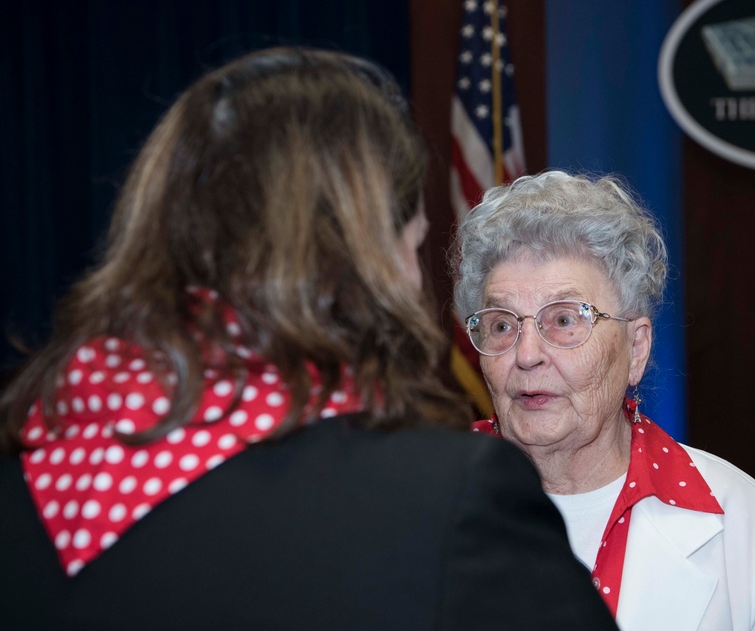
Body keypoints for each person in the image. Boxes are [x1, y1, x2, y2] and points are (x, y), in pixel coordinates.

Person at [0, 49, 618, 631]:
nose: (416, 281)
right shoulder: (446, 503)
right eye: (413, 244)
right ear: (367, 262)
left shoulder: (34, 474)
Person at [452, 170, 755, 631]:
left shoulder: (743, 519)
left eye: (564, 321)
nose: (528, 353)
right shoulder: (421, 502)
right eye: (501, 325)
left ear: (636, 349)